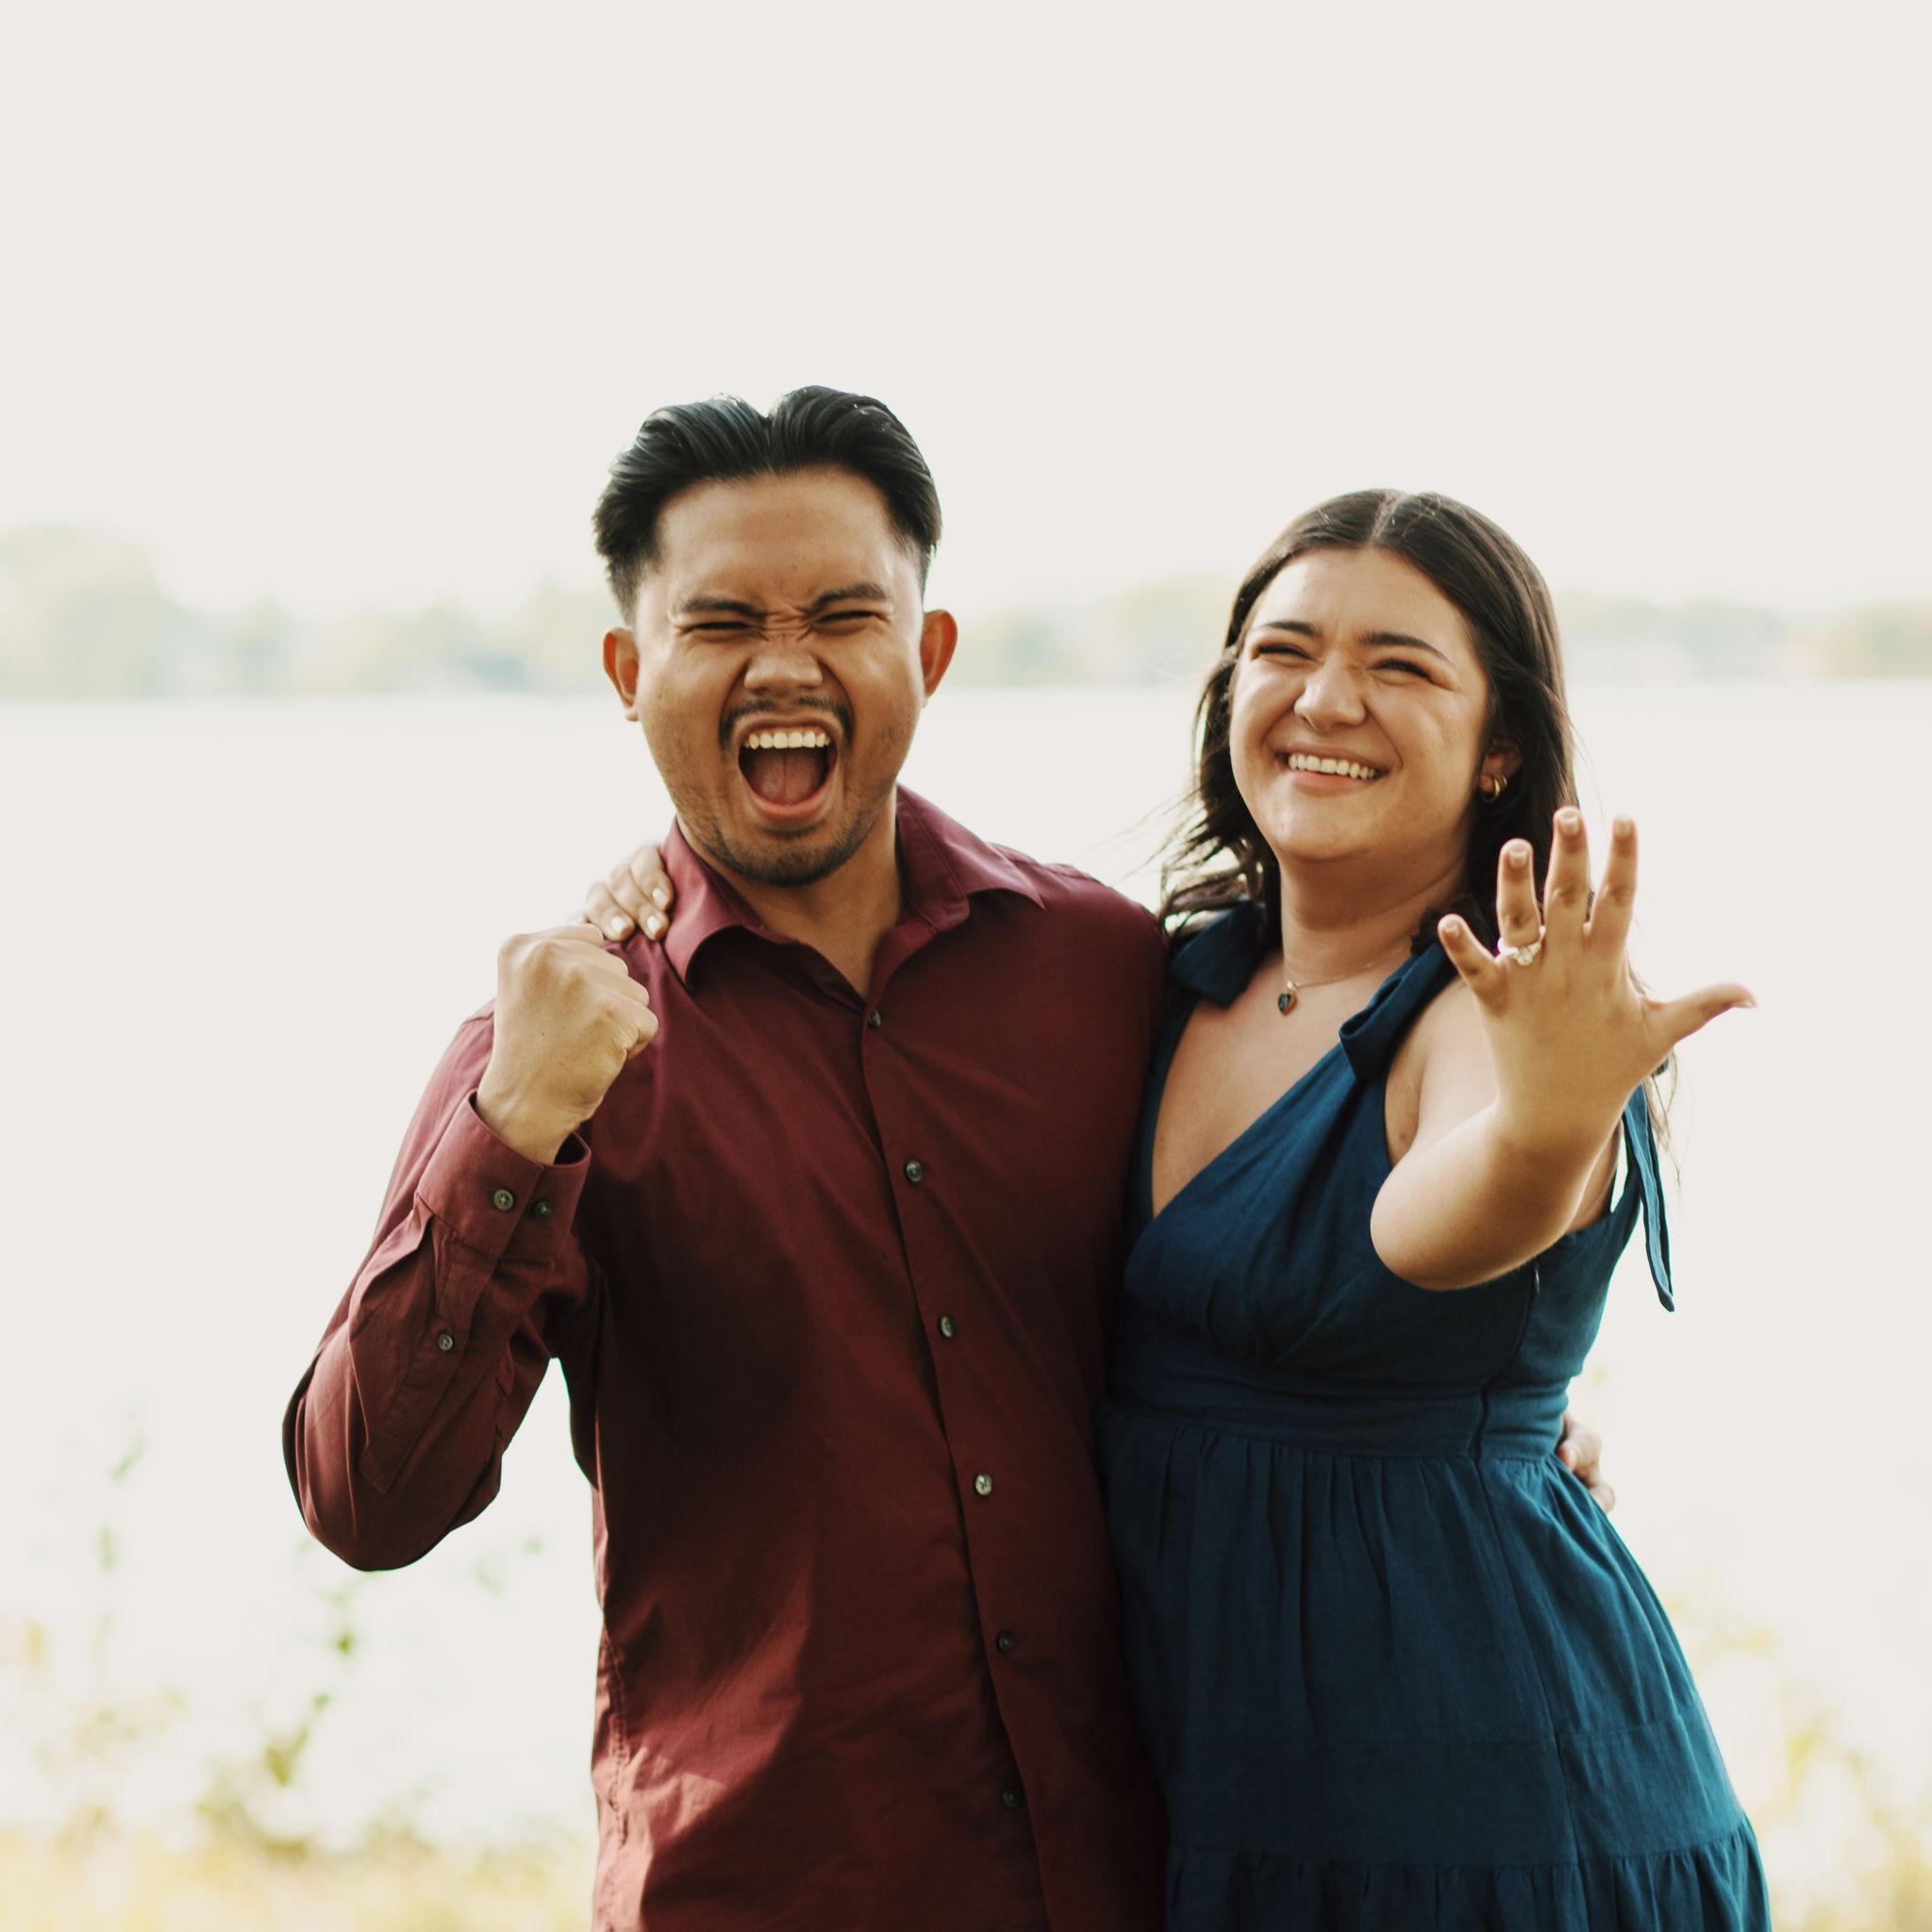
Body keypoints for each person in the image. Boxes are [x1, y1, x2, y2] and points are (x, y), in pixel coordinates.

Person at [583, 489, 1760, 1927]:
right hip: (1214, 1800)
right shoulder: (1156, 982)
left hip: (1479, 1805)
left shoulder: (1489, 1019)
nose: (1327, 699)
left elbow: (1448, 1219)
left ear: (1500, 742)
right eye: (1286, 651)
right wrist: (656, 875)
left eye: (1399, 665)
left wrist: (1555, 1119)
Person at [284, 387, 1171, 1931]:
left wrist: (1486, 1416)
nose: (784, 664)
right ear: (630, 674)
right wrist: (516, 1127)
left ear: (928, 652)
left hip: (1131, 1880)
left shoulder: (1107, 972)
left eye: (842, 615)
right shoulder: (549, 1052)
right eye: (722, 623)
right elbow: (368, 1499)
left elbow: (1270, 1278)